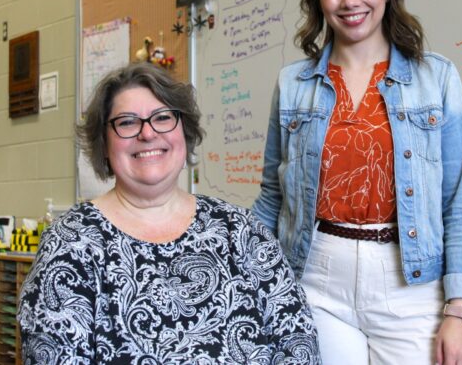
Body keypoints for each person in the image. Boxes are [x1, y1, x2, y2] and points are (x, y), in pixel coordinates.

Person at [253, 0, 462, 365]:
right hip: (314, 276)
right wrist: (248, 280)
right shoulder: (292, 84)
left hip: (409, 281)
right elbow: (273, 197)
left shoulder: (435, 78)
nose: (350, 1)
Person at [18, 62, 320, 364]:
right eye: (126, 122)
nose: (147, 133)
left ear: (184, 132)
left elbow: (296, 341)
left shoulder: (240, 231)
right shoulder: (71, 244)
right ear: (104, 144)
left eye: (163, 118)